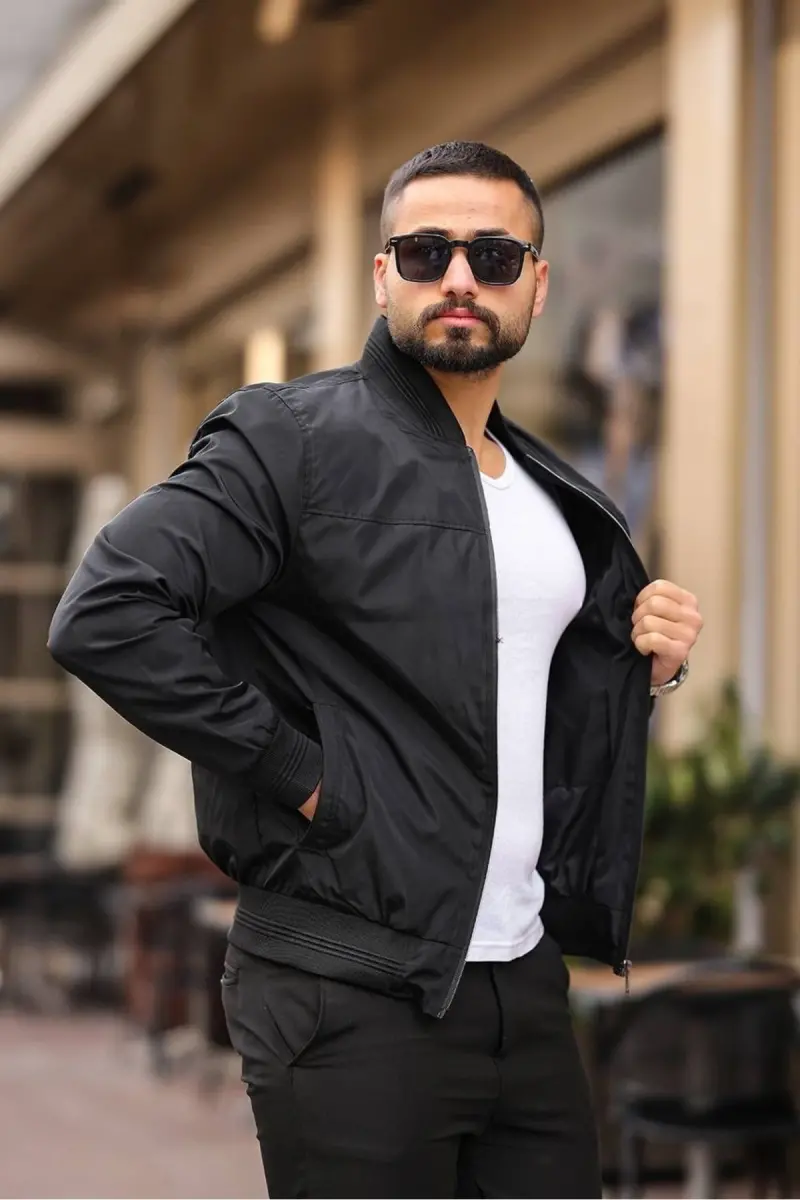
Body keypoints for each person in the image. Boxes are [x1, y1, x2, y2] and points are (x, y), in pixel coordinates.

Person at [48, 141, 703, 1199]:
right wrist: (302, 775)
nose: (459, 278)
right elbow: (107, 611)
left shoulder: (555, 496)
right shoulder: (292, 438)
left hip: (522, 984)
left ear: (538, 285)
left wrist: (644, 666)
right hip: (347, 987)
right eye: (426, 251)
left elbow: (516, 713)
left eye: (493, 255)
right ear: (381, 274)